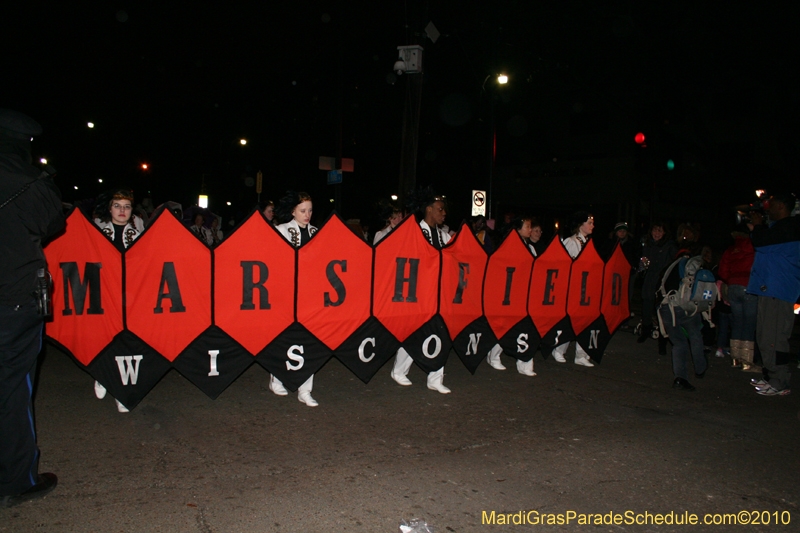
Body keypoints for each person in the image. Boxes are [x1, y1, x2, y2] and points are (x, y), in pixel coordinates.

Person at [0, 108, 62, 507]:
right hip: (14, 298)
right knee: (11, 389)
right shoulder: (29, 181)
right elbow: (53, 224)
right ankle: (15, 480)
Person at [390, 189, 451, 393]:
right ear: (429, 210)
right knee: (413, 333)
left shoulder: (444, 236)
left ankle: (435, 378)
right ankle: (399, 370)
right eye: (440, 209)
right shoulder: (414, 232)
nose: (444, 213)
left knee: (440, 333)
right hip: (417, 295)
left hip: (438, 296)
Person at [92, 189, 145, 412]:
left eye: (127, 206)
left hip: (130, 295)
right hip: (104, 293)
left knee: (127, 341)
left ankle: (121, 390)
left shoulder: (139, 231)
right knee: (105, 337)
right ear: (109, 208)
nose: (122, 210)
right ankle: (103, 375)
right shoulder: (95, 230)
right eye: (117, 205)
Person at [746, 192, 800, 396]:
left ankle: (780, 381)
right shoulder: (780, 228)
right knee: (765, 335)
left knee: (775, 337)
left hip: (779, 289)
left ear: (782, 206)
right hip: (771, 288)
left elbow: (761, 242)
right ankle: (771, 376)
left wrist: (758, 226)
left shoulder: (789, 227)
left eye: (772, 204)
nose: (768, 209)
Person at [272, 191, 319, 406]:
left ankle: (305, 390)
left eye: (310, 210)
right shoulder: (281, 230)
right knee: (284, 338)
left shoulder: (317, 232)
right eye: (302, 210)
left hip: (311, 296)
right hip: (286, 295)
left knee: (309, 341)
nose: (307, 214)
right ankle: (277, 377)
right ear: (292, 211)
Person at [486, 216, 536, 377]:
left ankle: (525, 362)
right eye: (527, 226)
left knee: (525, 328)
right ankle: (494, 356)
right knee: (504, 326)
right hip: (508, 294)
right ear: (517, 229)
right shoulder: (507, 246)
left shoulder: (531, 248)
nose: (530, 230)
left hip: (523, 295)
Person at [658, 250, 707, 392]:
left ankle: (680, 378)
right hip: (685, 307)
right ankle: (700, 367)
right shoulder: (695, 266)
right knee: (695, 335)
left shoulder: (670, 266)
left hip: (667, 307)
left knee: (678, 343)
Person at [551, 211, 595, 367]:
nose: (592, 226)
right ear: (580, 225)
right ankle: (558, 349)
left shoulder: (587, 243)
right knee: (569, 321)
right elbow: (562, 265)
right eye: (589, 223)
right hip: (572, 289)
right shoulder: (572, 242)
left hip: (584, 289)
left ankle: (581, 355)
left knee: (585, 321)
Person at [718, 224, 757, 370]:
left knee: (737, 322)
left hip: (733, 287)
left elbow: (722, 270)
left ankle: (735, 359)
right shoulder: (754, 247)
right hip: (749, 286)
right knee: (749, 323)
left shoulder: (731, 249)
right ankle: (746, 362)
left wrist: (731, 280)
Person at [639, 223, 678, 351]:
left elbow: (672, 263)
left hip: (662, 280)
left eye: (659, 231)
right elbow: (644, 262)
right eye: (655, 231)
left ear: (664, 233)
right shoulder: (648, 244)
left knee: (662, 309)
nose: (656, 233)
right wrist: (641, 268)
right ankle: (646, 330)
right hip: (649, 278)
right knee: (647, 304)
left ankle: (663, 339)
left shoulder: (669, 246)